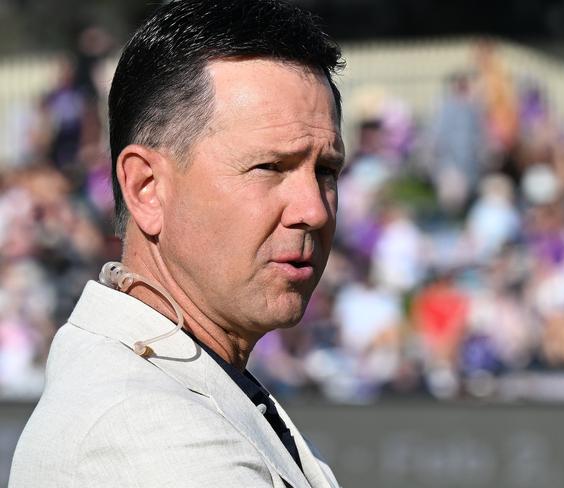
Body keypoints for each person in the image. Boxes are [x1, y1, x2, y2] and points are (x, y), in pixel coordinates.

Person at [9, 1, 345, 487]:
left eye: (326, 171)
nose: (313, 210)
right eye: (270, 167)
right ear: (146, 188)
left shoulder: (181, 383)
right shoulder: (145, 431)